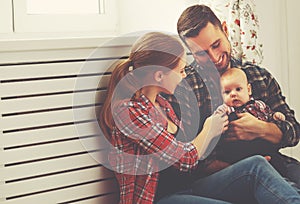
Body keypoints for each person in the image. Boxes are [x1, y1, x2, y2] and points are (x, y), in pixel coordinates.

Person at [99, 31, 300, 204]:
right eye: (180, 70)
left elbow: (193, 160)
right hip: (158, 199)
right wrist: (209, 128)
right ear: (159, 76)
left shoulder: (163, 105)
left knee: (256, 166)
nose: (185, 75)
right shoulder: (130, 112)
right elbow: (185, 159)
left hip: (188, 187)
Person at [174, 4, 300, 188]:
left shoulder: (258, 76)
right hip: (223, 176)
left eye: (216, 45)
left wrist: (262, 129)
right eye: (201, 54)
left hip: (276, 163)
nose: (215, 58)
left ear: (225, 29)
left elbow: (294, 132)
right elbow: (184, 162)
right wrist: (251, 170)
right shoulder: (185, 88)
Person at [213, 67, 287, 175]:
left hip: (263, 146)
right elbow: (217, 116)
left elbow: (269, 115)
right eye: (227, 92)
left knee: (279, 164)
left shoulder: (258, 105)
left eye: (238, 89)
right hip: (239, 151)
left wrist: (275, 116)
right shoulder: (228, 109)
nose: (233, 94)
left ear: (248, 90)